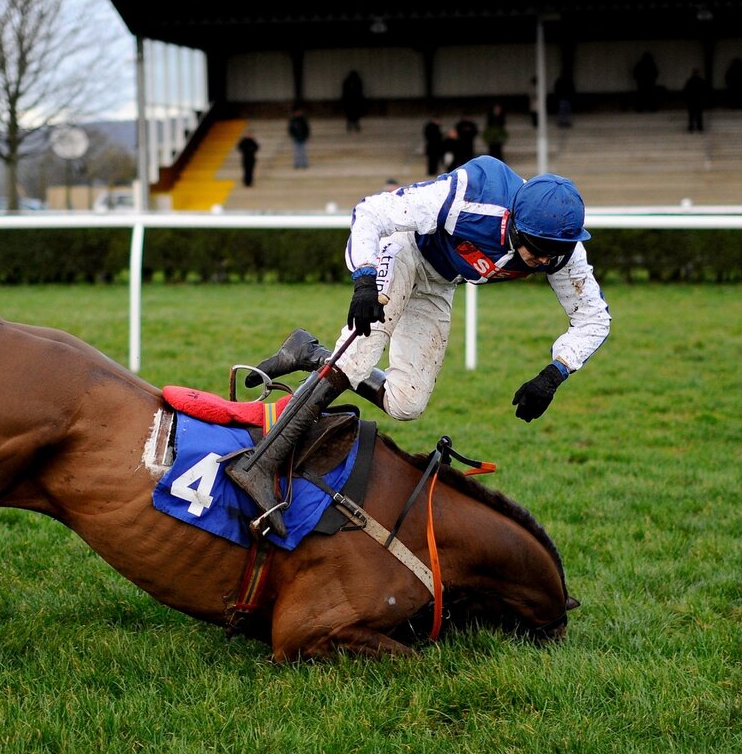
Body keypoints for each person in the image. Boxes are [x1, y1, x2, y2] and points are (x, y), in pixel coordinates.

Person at [229, 155, 611, 537]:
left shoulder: (563, 252)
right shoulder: (470, 195)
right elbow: (372, 210)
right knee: (360, 353)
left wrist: (555, 372)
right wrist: (364, 277)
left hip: (440, 283)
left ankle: (310, 353)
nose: (545, 259)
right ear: (513, 221)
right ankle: (261, 463)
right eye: (537, 246)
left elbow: (594, 317)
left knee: (407, 403)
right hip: (404, 251)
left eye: (555, 250)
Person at [683, 68, 709, 132]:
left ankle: (691, 127)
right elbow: (705, 91)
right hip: (699, 100)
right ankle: (699, 127)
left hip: (691, 100)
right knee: (699, 114)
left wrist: (686, 100)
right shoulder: (701, 81)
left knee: (691, 115)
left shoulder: (689, 81)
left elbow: (686, 91)